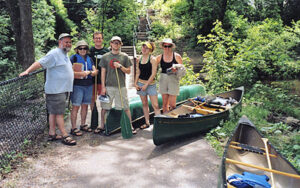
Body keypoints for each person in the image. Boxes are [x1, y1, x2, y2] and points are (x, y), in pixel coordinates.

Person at [19, 33, 76, 146]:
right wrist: (27, 71)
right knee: (59, 113)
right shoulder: (54, 54)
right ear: (60, 42)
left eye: (70, 42)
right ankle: (64, 134)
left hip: (62, 89)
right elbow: (40, 62)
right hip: (56, 90)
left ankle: (52, 133)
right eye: (66, 42)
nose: (68, 44)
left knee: (53, 113)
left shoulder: (64, 54)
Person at [99, 36, 137, 134]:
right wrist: (103, 87)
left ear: (121, 44)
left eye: (118, 43)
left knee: (125, 107)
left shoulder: (124, 56)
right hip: (108, 87)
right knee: (105, 107)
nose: (116, 44)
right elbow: (103, 72)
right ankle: (102, 125)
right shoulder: (105, 57)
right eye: (114, 42)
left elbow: (128, 71)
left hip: (121, 86)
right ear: (111, 44)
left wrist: (120, 66)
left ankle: (130, 125)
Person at [70, 40, 98, 136]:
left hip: (88, 85)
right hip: (77, 85)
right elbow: (69, 73)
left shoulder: (89, 59)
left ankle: (83, 124)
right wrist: (81, 74)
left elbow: (95, 71)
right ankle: (73, 128)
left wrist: (92, 72)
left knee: (85, 105)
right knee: (76, 106)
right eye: (80, 48)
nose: (83, 50)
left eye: (85, 48)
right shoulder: (73, 58)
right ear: (77, 49)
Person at [134, 42, 160, 129]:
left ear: (150, 50)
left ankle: (158, 124)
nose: (144, 49)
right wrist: (135, 83)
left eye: (146, 48)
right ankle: (147, 122)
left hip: (151, 84)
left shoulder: (153, 59)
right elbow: (138, 72)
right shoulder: (139, 59)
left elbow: (153, 74)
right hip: (141, 83)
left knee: (155, 105)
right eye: (143, 47)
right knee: (144, 103)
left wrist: (146, 84)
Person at [89, 31, 110, 134]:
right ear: (93, 39)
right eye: (96, 38)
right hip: (92, 81)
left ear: (102, 39)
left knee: (103, 102)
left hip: (103, 81)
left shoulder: (106, 51)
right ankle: (93, 123)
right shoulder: (89, 51)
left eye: (100, 38)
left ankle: (103, 124)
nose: (98, 39)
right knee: (92, 100)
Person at [156, 38, 183, 113]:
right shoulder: (159, 57)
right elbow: (153, 68)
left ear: (172, 47)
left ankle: (173, 120)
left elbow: (182, 68)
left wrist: (176, 69)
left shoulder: (177, 56)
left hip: (173, 78)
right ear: (162, 47)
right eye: (165, 46)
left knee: (172, 104)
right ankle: (165, 118)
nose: (167, 48)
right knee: (165, 104)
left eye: (169, 46)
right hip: (163, 78)